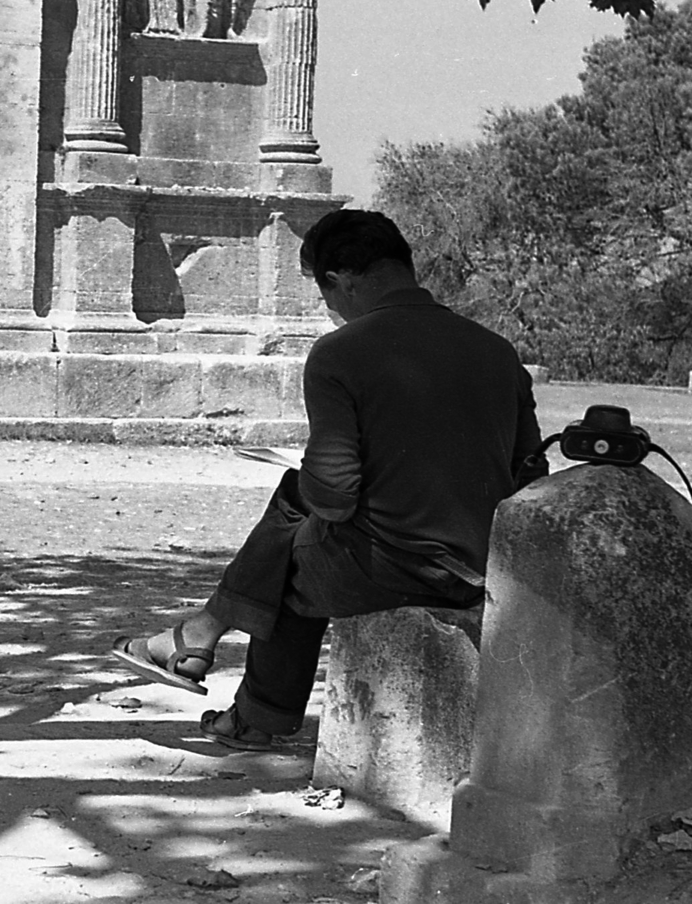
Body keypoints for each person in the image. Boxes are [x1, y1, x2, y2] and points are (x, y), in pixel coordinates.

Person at [111, 209, 547, 749]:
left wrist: (314, 483)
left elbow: (334, 497)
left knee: (290, 551)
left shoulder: (341, 354)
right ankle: (199, 643)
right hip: (484, 564)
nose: (332, 312)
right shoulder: (497, 352)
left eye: (327, 298)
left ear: (338, 282)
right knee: (295, 513)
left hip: (396, 566)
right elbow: (532, 477)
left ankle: (232, 682)